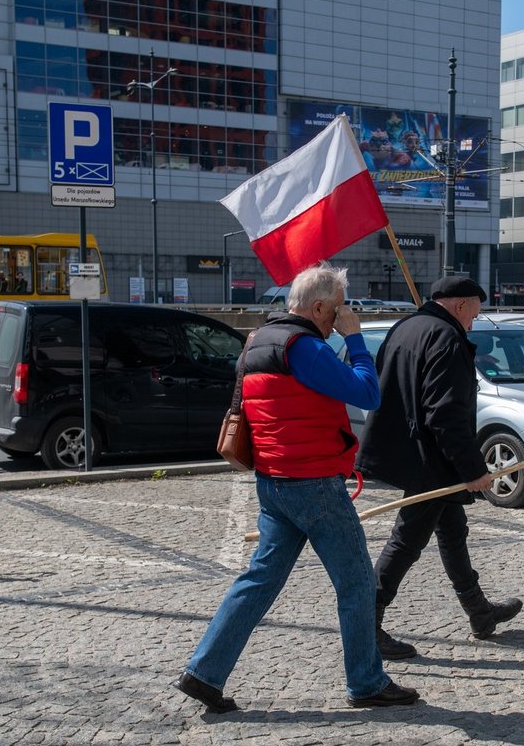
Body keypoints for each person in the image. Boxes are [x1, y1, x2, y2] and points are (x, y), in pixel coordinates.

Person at [178, 262, 420, 713]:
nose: (337, 320)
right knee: (357, 584)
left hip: (273, 481)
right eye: (337, 312)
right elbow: (368, 393)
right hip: (313, 482)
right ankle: (366, 682)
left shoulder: (255, 342)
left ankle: (204, 672)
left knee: (258, 580)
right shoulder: (304, 347)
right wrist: (353, 338)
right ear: (319, 306)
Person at [356, 276, 523, 660]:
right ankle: (367, 623)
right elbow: (445, 413)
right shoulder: (445, 338)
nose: (472, 323)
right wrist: (472, 470)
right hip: (430, 458)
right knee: (406, 540)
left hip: (413, 450)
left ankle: (480, 612)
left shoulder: (407, 327)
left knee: (452, 530)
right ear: (461, 305)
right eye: (473, 315)